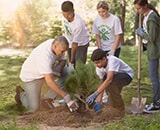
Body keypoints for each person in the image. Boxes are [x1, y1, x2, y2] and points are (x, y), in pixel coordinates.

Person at [15, 36, 79, 112]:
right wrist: (65, 96)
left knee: (68, 72)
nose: (63, 53)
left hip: (46, 71)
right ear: (55, 46)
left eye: (65, 51)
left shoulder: (57, 45)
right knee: (34, 108)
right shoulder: (44, 56)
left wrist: (58, 68)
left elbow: (63, 60)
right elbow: (49, 81)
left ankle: (47, 99)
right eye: (62, 51)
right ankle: (21, 94)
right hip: (32, 77)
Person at [134, 0, 160, 113]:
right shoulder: (145, 15)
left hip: (155, 50)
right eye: (136, 9)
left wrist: (141, 33)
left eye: (138, 8)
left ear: (145, 6)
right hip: (151, 50)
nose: (137, 11)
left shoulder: (152, 18)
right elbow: (139, 27)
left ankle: (157, 103)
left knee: (154, 77)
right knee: (154, 76)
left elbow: (152, 38)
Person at [61, 1, 89, 67]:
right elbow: (66, 32)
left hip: (81, 44)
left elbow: (75, 44)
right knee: (70, 66)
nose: (66, 17)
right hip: (70, 43)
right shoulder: (64, 18)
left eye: (68, 14)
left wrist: (72, 60)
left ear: (73, 11)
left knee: (79, 65)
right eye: (64, 14)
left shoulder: (78, 24)